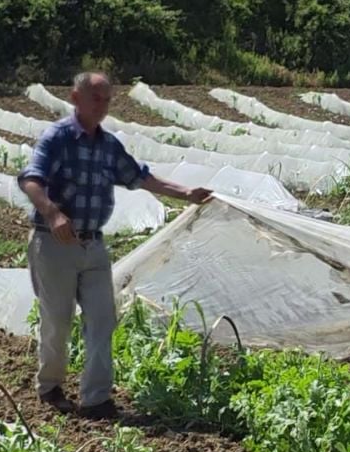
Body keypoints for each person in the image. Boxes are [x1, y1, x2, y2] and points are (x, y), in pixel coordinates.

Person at [18, 71, 212, 420]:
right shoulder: (58, 138)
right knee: (58, 320)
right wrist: (52, 212)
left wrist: (186, 193)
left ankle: (96, 399)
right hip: (55, 242)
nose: (102, 106)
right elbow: (31, 180)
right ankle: (50, 387)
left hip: (93, 244)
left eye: (107, 100)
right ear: (75, 98)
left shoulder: (108, 146)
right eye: (96, 98)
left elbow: (139, 176)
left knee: (102, 318)